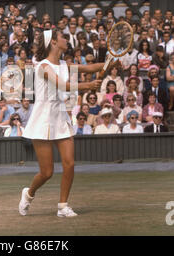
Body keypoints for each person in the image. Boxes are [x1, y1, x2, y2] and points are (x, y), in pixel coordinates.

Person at [19, 28, 105, 218]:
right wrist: (87, 86)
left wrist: (109, 63)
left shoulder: (65, 64)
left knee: (69, 163)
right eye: (62, 37)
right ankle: (29, 193)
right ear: (53, 43)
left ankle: (63, 206)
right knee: (47, 172)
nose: (66, 40)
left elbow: (90, 68)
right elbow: (62, 85)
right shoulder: (42, 66)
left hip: (60, 117)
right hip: (42, 119)